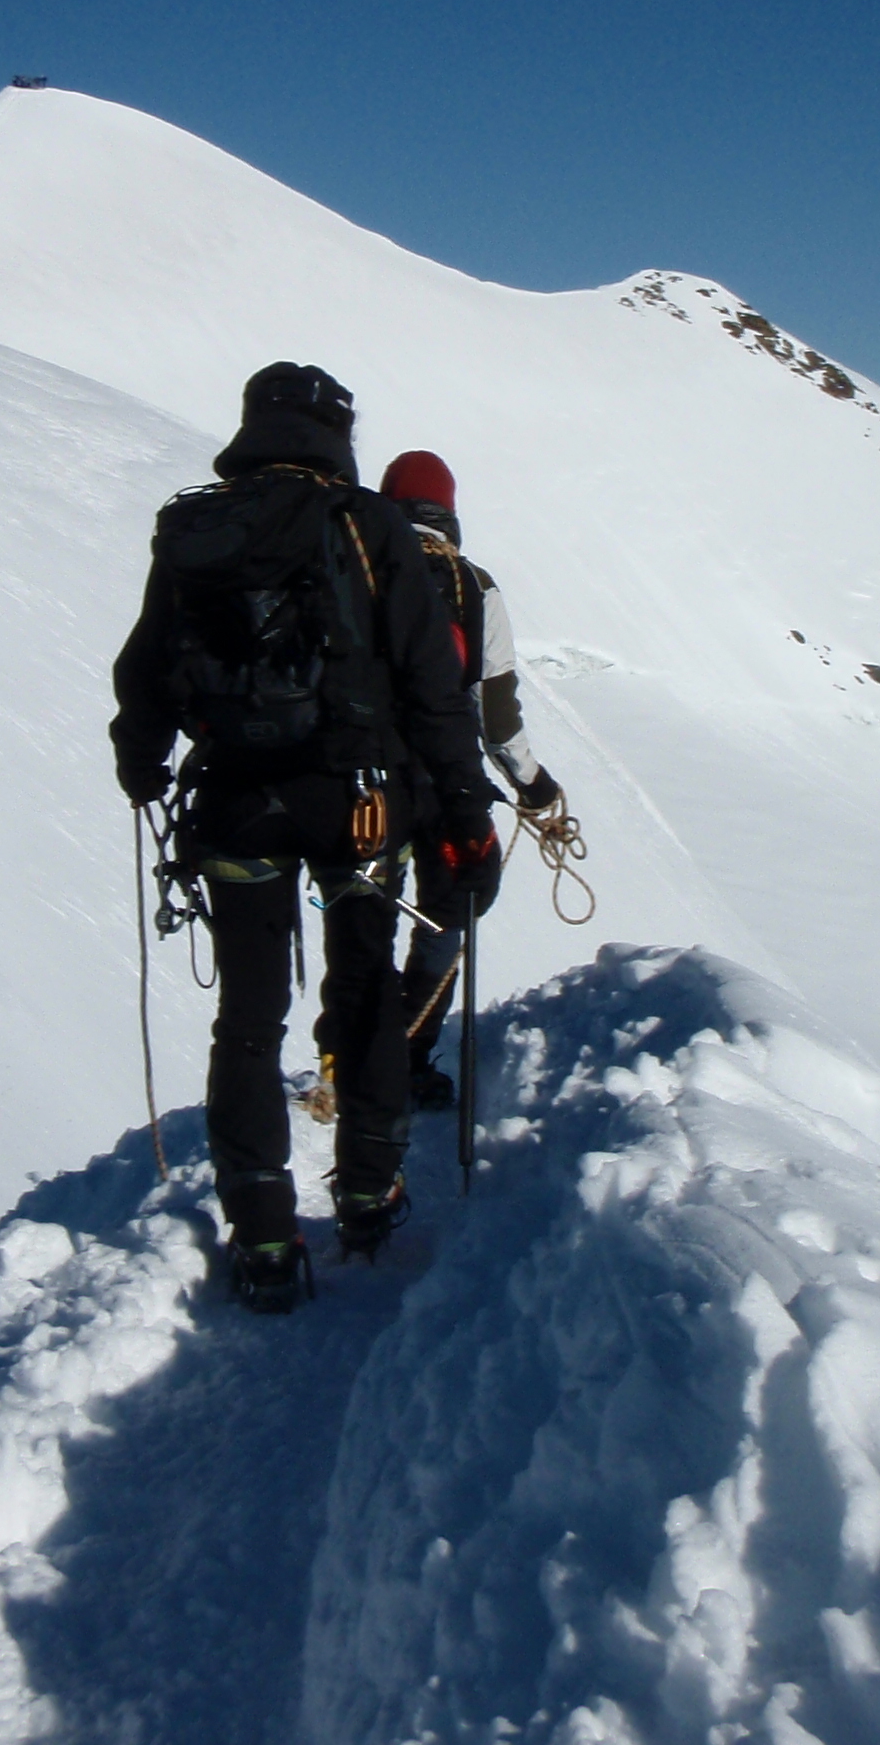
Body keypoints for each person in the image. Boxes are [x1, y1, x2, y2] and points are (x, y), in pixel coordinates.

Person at [110, 364, 500, 1312]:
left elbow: (147, 666)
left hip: (235, 802)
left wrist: (144, 760)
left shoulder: (200, 527)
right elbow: (430, 687)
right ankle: (367, 1193)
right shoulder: (368, 526)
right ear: (336, 433)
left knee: (247, 1019)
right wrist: (465, 812)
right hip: (358, 804)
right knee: (364, 993)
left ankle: (263, 1232)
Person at [343, 450, 561, 1111]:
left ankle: (351, 1054)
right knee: (454, 906)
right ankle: (407, 1052)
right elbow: (496, 717)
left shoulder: (356, 568)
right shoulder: (474, 587)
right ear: (449, 511)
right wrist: (535, 787)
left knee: (363, 913)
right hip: (445, 786)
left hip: (362, 780)